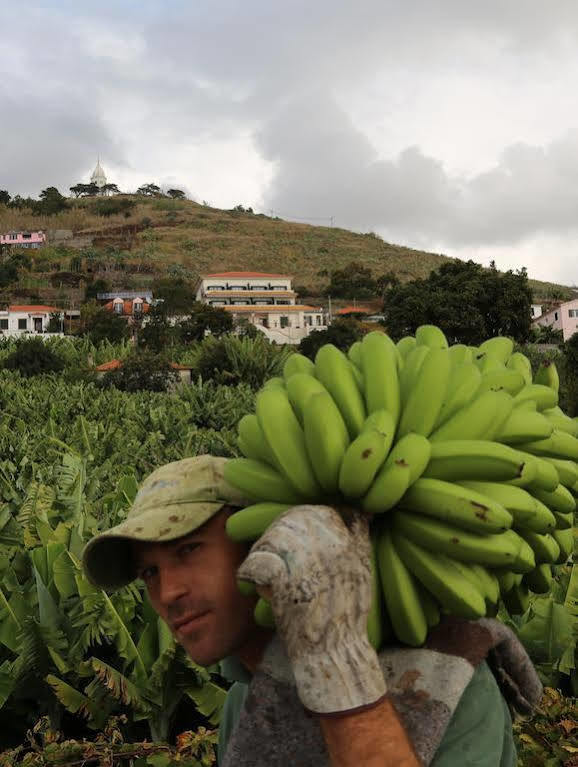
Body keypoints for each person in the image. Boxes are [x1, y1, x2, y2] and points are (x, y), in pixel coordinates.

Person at [83, 455, 542, 766]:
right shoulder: (243, 703)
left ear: (263, 541)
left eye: (188, 550)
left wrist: (337, 670)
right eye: (150, 574)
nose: (168, 593)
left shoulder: (447, 680)